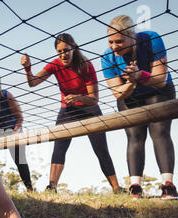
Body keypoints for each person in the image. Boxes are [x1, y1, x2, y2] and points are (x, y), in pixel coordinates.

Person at [21, 33, 122, 193]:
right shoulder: (54, 65)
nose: (63, 54)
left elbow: (94, 99)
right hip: (68, 110)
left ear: (74, 48)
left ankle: (116, 188)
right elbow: (33, 83)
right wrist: (28, 68)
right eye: (59, 51)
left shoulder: (85, 65)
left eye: (66, 50)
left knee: (101, 149)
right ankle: (52, 186)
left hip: (89, 108)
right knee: (59, 146)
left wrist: (78, 97)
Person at [101, 15, 178, 200]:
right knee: (134, 136)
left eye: (119, 41)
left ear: (131, 35)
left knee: (160, 131)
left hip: (158, 90)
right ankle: (135, 187)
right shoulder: (107, 57)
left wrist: (140, 75)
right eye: (110, 41)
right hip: (131, 95)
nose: (114, 46)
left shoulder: (151, 39)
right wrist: (131, 83)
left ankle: (168, 185)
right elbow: (118, 93)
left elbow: (160, 79)